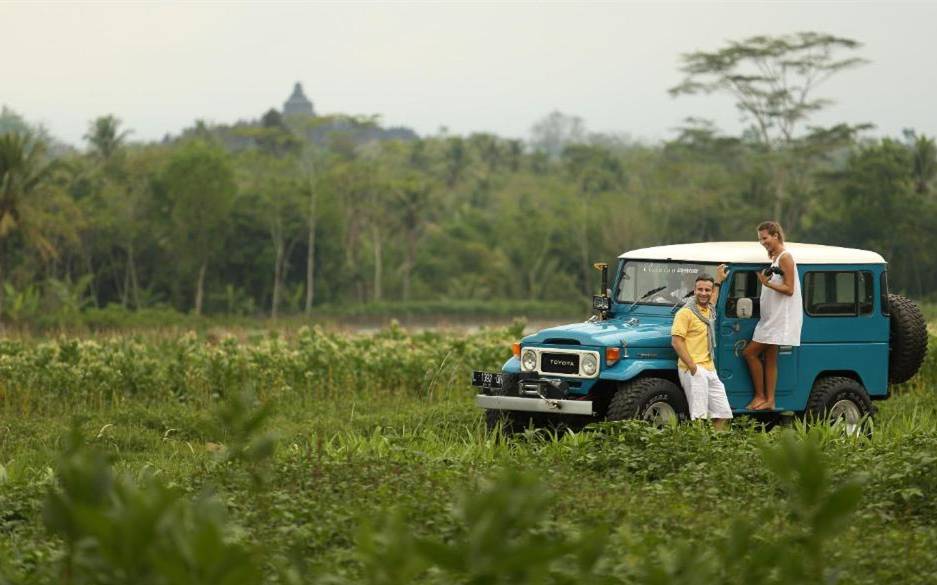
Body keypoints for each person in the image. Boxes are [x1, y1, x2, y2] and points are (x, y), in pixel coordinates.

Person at [744, 221, 803, 410]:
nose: (762, 242)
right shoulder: (775, 257)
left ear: (775, 235)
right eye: (760, 239)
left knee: (750, 352)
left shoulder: (785, 257)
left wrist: (766, 283)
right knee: (770, 358)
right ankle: (770, 400)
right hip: (770, 317)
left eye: (765, 238)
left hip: (779, 319)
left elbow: (789, 289)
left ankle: (761, 396)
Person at [671, 268, 732, 429]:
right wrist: (692, 367)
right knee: (699, 417)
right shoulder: (685, 313)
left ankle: (713, 448)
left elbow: (714, 299)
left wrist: (719, 281)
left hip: (710, 368)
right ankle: (699, 448)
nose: (703, 293)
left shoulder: (708, 310)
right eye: (700, 289)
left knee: (723, 413)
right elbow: (677, 342)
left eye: (707, 290)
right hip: (693, 368)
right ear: (694, 290)